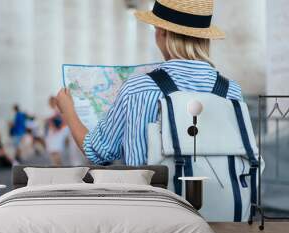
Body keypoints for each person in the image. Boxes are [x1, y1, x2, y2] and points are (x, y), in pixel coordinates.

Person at [55, 0, 242, 166]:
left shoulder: (138, 88)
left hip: (154, 203)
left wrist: (69, 112)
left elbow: (97, 152)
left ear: (162, 32)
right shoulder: (231, 91)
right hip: (221, 203)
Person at [45, 96, 69, 166]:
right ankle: (57, 166)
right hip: (54, 132)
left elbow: (63, 121)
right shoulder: (57, 110)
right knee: (54, 151)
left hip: (56, 133)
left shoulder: (57, 110)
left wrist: (56, 128)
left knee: (54, 151)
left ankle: (57, 166)